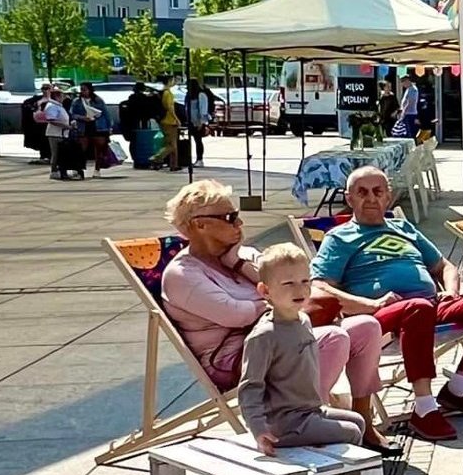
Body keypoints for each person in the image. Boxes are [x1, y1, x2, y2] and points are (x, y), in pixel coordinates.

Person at [159, 180, 390, 448]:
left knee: (366, 327)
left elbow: (293, 285)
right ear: (200, 225)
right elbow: (239, 315)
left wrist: (239, 264)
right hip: (241, 358)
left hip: (281, 338)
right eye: (229, 217)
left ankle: (363, 418)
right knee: (333, 337)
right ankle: (305, 419)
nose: (239, 223)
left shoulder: (240, 255)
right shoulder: (182, 275)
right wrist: (274, 299)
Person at [310, 166, 463, 442]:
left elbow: (444, 265)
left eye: (378, 191)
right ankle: (424, 407)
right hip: (381, 316)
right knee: (419, 307)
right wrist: (369, 303)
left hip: (430, 306)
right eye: (362, 192)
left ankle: (457, 390)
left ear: (388, 197)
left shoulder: (403, 228)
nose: (371, 198)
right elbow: (319, 287)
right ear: (349, 199)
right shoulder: (339, 237)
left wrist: (451, 292)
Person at [238, 245, 371, 454]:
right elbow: (250, 387)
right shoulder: (264, 336)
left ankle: (339, 469)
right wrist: (258, 428)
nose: (299, 290)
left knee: (358, 421)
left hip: (310, 411)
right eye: (288, 284)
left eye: (305, 282)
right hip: (284, 423)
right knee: (351, 432)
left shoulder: (303, 320)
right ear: (265, 291)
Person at [69, 82, 114, 175]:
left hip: (98, 126)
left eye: (85, 89)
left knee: (99, 149)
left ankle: (97, 169)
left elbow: (105, 114)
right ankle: (78, 168)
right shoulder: (77, 101)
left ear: (90, 90)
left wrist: (110, 127)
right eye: (81, 89)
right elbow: (72, 114)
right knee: (81, 148)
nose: (83, 91)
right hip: (83, 127)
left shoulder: (98, 100)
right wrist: (82, 118)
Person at [41, 86, 80, 180]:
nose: (64, 98)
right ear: (57, 97)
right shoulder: (52, 106)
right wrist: (67, 126)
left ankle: (62, 171)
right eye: (62, 96)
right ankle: (54, 171)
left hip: (62, 133)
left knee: (62, 154)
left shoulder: (59, 106)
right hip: (55, 133)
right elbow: (51, 120)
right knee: (56, 154)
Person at [184, 79, 213, 167]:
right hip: (191, 121)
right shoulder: (188, 95)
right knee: (195, 140)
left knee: (198, 140)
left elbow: (203, 109)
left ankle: (200, 159)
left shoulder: (201, 95)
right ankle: (195, 159)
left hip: (199, 121)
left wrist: (202, 122)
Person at [157, 75, 182, 171]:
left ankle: (174, 164)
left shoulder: (163, 92)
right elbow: (170, 108)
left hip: (165, 121)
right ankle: (157, 157)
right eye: (172, 80)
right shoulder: (168, 93)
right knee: (171, 145)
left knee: (172, 145)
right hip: (169, 121)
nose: (174, 82)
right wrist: (176, 119)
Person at [21, 84, 48, 164]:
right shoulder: (36, 99)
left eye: (48, 88)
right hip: (39, 125)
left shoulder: (55, 98)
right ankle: (44, 156)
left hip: (52, 123)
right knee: (42, 140)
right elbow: (28, 106)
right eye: (44, 88)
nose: (45, 90)